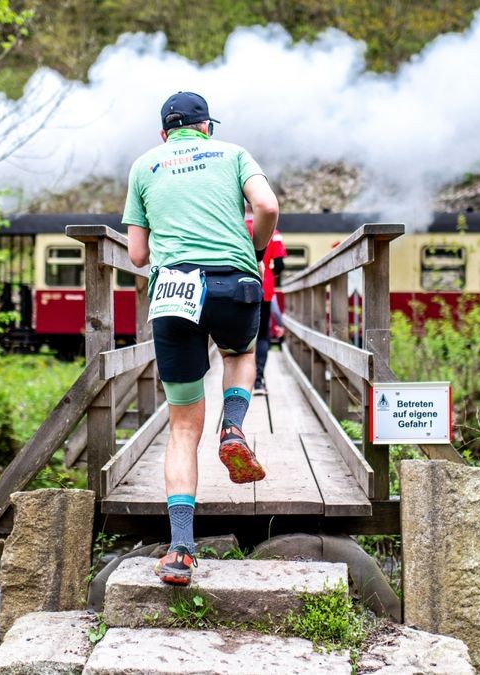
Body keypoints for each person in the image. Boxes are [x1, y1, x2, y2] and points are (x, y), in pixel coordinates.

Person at [124, 91, 279, 586]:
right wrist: (252, 248)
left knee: (182, 428)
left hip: (173, 293)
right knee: (242, 350)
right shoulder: (233, 154)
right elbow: (267, 205)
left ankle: (181, 550)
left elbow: (136, 256)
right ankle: (233, 426)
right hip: (233, 284)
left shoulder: (144, 165)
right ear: (206, 127)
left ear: (165, 134)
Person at [245, 204, 287, 394]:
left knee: (242, 336)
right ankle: (259, 380)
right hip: (264, 287)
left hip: (238, 287)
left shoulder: (233, 227)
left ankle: (241, 382)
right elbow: (279, 265)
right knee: (262, 336)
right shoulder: (274, 232)